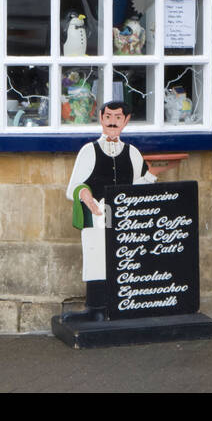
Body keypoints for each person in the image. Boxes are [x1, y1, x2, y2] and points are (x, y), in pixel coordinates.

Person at [63, 100, 156, 321]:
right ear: (101, 119)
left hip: (125, 216)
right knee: (97, 258)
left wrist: (151, 177)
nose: (112, 122)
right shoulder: (89, 151)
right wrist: (84, 194)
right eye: (108, 117)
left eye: (117, 117)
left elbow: (139, 185)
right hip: (98, 215)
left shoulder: (133, 153)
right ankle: (95, 309)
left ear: (126, 121)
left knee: (125, 258)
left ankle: (122, 306)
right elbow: (72, 188)